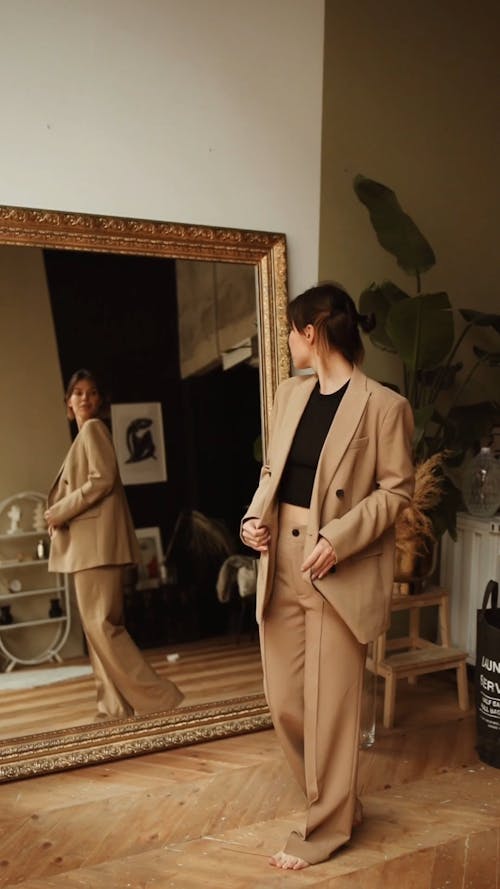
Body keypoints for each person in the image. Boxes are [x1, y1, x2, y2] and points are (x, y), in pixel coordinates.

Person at [241, 283, 414, 869]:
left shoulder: (384, 406)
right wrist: (252, 519)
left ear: (312, 331)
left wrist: (337, 540)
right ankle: (339, 801)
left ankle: (325, 828)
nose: (289, 341)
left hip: (337, 566)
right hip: (281, 560)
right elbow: (272, 471)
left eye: (292, 330)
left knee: (333, 708)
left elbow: (398, 492)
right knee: (285, 700)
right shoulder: (289, 396)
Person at [45, 369, 183, 719]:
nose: (85, 398)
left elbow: (101, 480)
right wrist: (61, 518)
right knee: (97, 629)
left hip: (97, 546)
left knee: (103, 626)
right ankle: (112, 704)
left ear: (99, 401)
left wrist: (59, 511)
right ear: (67, 401)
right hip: (89, 545)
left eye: (92, 392)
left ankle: (160, 697)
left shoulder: (93, 429)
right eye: (78, 392)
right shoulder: (83, 438)